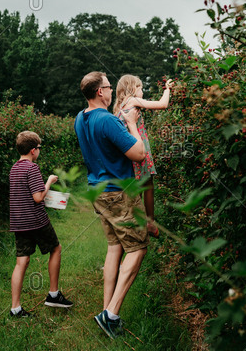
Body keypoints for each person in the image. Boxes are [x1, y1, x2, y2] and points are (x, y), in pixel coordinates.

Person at [74, 71, 148, 339]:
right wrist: (131, 124)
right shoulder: (107, 120)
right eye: (107, 85)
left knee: (115, 246)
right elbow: (139, 154)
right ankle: (111, 314)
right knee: (137, 248)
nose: (110, 89)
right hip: (119, 192)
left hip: (98, 190)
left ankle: (106, 308)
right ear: (99, 92)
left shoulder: (80, 118)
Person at [9, 130, 73, 318]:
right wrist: (49, 182)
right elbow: (38, 197)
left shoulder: (14, 168)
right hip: (36, 221)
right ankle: (53, 295)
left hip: (19, 222)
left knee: (21, 262)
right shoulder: (32, 168)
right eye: (39, 148)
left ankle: (15, 308)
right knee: (56, 248)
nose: (39, 151)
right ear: (32, 151)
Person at [113, 75, 174, 238]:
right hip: (139, 148)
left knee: (137, 188)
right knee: (148, 185)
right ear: (132, 89)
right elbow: (163, 104)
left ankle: (135, 224)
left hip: (128, 152)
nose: (142, 90)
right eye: (140, 87)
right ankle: (150, 223)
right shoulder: (132, 101)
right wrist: (167, 89)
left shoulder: (119, 107)